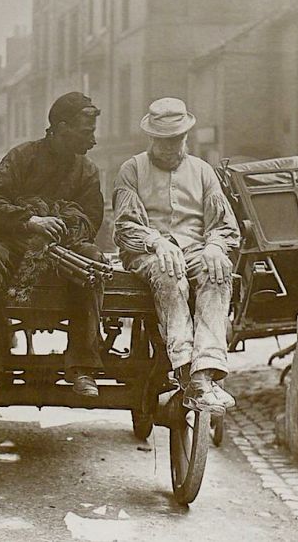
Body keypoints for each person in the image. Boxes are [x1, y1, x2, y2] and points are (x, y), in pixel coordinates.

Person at [0, 92, 106, 397]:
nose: (92, 141)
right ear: (62, 127)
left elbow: (92, 221)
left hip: (64, 251)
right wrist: (31, 222)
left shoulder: (88, 171)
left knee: (93, 260)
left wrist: (63, 230)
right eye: (87, 132)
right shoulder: (20, 158)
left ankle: (83, 368)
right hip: (13, 246)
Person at [112, 97, 240, 414]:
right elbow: (125, 227)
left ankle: (205, 370)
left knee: (218, 272)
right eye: (163, 140)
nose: (170, 147)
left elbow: (225, 225)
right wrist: (156, 241)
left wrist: (214, 246)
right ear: (151, 138)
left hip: (195, 250)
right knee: (168, 273)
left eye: (176, 139)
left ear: (186, 137)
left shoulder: (202, 171)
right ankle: (184, 365)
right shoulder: (132, 170)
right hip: (146, 253)